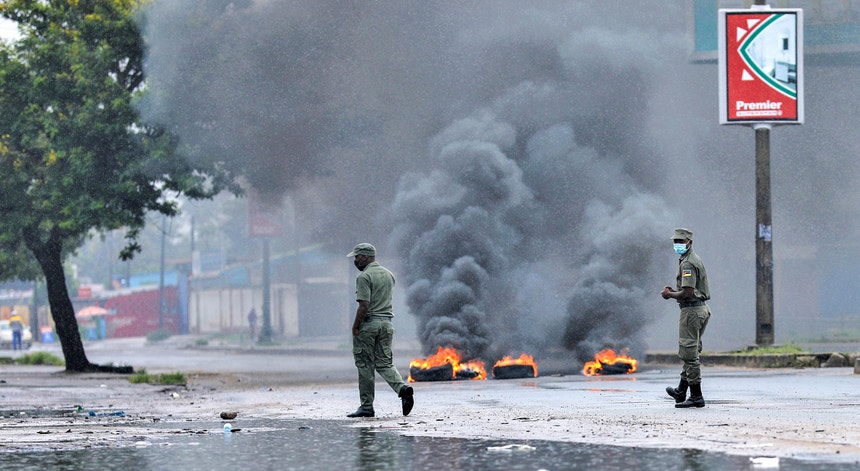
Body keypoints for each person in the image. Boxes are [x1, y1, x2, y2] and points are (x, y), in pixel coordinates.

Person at [345, 243, 414, 418]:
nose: (355, 261)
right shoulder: (389, 274)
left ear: (365, 257)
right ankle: (403, 389)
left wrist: (355, 326)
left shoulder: (364, 277)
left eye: (357, 257)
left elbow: (364, 305)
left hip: (369, 325)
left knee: (365, 365)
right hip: (387, 324)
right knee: (384, 363)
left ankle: (367, 407)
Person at [661, 228, 711, 408]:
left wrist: (669, 295)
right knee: (691, 351)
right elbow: (690, 290)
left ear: (689, 242)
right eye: (675, 242)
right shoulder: (689, 259)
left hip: (691, 312)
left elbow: (688, 292)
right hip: (699, 309)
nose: (677, 245)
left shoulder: (688, 263)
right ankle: (681, 391)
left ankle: (696, 396)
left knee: (689, 354)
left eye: (681, 242)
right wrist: (676, 292)